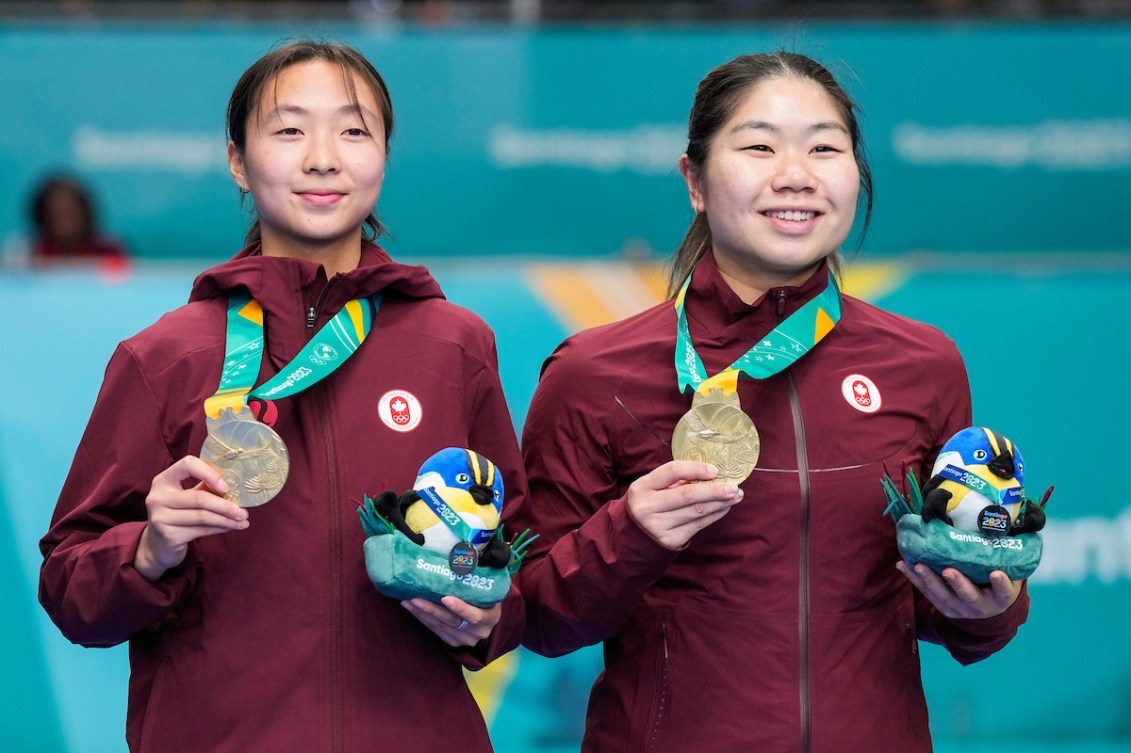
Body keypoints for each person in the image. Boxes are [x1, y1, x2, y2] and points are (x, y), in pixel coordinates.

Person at [513, 51, 1031, 753]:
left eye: (824, 146)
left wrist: (988, 606)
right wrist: (629, 532)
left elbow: (932, 599)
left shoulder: (923, 365)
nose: (796, 174)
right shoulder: (592, 372)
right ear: (693, 180)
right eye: (758, 146)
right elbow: (536, 618)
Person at [39, 40, 525, 753]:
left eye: (353, 130)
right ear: (238, 159)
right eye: (289, 130)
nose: (322, 157)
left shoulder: (454, 345)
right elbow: (71, 588)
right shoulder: (167, 356)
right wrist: (149, 546)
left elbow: (515, 556)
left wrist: (488, 614)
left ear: (384, 154)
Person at [27, 173, 130, 265]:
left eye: (71, 213)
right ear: (43, 216)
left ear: (85, 213)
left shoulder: (109, 250)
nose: (65, 221)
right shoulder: (28, 254)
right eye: (57, 214)